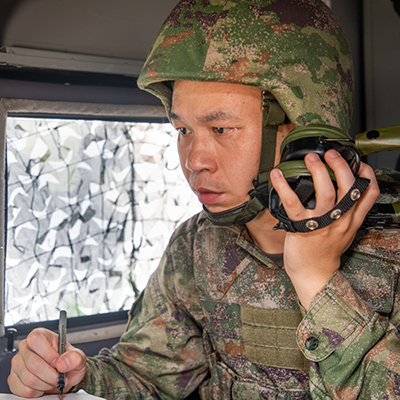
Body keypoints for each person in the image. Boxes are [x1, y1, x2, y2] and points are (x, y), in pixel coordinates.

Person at [7, 0, 400, 399]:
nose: (194, 160)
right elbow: (148, 377)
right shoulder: (198, 245)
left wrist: (318, 280)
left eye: (223, 128)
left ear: (306, 132)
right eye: (182, 130)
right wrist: (73, 377)